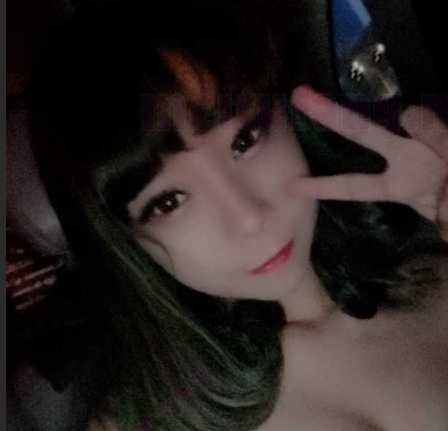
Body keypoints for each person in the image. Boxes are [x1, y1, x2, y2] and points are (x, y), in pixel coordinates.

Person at [28, 1, 448, 430]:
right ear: (124, 240)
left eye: (246, 140)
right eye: (169, 202)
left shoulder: (434, 275)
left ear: (289, 119)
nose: (249, 217)